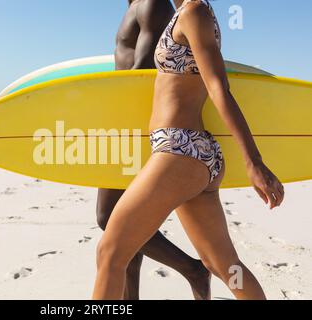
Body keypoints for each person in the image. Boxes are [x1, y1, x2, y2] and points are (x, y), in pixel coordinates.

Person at [93, 0, 285, 300]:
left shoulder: (195, 12)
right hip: (190, 155)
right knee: (224, 265)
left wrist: (254, 161)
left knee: (110, 253)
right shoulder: (190, 13)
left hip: (179, 149)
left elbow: (218, 86)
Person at [96, 0, 211, 300]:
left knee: (108, 218)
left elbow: (139, 75)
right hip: (126, 125)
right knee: (122, 222)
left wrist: (108, 124)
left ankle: (192, 270)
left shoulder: (153, 4)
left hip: (131, 128)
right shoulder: (139, 5)